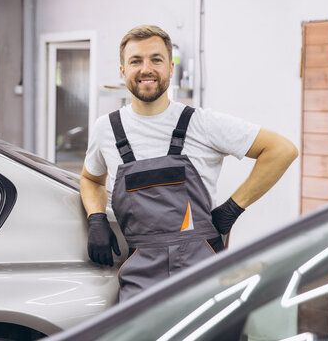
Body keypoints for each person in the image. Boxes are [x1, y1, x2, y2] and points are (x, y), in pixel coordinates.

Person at [80, 25, 298, 302]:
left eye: (156, 60)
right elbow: (90, 179)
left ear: (171, 69)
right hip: (139, 278)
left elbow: (281, 150)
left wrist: (232, 209)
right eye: (136, 61)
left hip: (203, 276)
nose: (146, 68)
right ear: (122, 72)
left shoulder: (202, 123)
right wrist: (96, 218)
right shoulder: (106, 129)